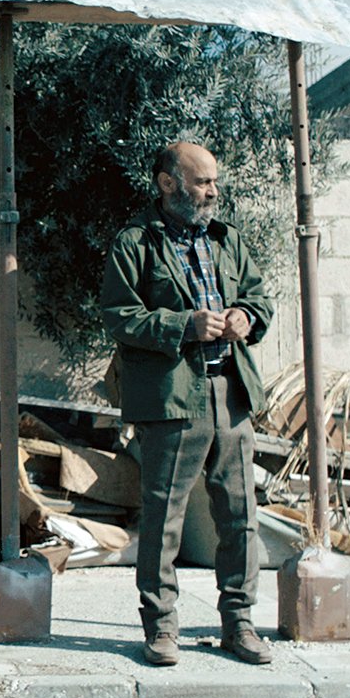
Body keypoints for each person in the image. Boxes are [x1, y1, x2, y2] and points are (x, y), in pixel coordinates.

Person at [99, 140, 275, 667]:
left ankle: (239, 624)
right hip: (174, 399)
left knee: (241, 517)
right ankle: (160, 627)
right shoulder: (134, 243)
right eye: (203, 182)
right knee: (164, 519)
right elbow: (119, 316)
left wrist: (245, 316)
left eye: (214, 181)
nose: (213, 191)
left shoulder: (227, 239)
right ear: (168, 183)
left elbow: (260, 299)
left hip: (231, 395)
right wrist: (184, 325)